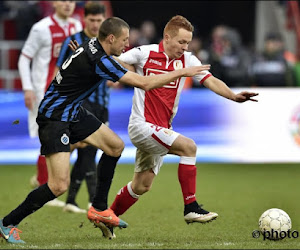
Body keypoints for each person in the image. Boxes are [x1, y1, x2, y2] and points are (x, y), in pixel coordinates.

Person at [0, 17, 210, 244]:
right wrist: (182, 73)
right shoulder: (101, 60)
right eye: (124, 40)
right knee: (58, 185)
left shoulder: (91, 45)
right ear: (111, 38)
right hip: (55, 117)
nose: (127, 45)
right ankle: (8, 223)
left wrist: (78, 54)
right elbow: (145, 83)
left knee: (115, 146)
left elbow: (86, 53)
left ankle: (99, 208)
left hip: (73, 112)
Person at [92, 15, 258, 238]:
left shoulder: (189, 60)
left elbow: (210, 80)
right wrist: (89, 54)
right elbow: (113, 57)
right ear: (167, 37)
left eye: (188, 42)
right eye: (181, 42)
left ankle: (108, 217)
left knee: (141, 186)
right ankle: (191, 207)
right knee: (188, 147)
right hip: (141, 125)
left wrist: (233, 96)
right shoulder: (144, 53)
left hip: (160, 129)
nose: (185, 47)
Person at [18, 1, 82, 207]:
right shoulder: (41, 28)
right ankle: (44, 184)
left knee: (67, 137)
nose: (67, 4)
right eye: (63, 0)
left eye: (71, 1)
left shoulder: (76, 26)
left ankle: (43, 181)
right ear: (54, 3)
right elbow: (23, 58)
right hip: (42, 93)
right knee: (46, 137)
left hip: (66, 94)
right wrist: (28, 88)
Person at [56, 2, 106, 214]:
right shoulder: (73, 40)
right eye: (92, 20)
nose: (95, 24)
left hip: (103, 104)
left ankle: (73, 200)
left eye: (99, 20)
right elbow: (60, 70)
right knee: (88, 148)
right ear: (84, 19)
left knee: (90, 151)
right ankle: (93, 201)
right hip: (81, 102)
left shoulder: (107, 41)